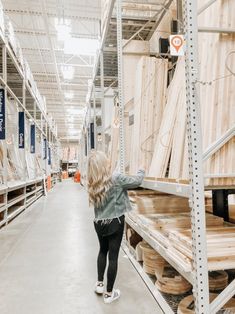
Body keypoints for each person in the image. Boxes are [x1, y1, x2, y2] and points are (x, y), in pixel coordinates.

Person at [87, 150, 145, 304]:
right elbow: (137, 182)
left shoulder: (93, 182)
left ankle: (100, 284)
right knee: (113, 257)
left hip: (99, 224)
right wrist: (141, 168)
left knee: (102, 251)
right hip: (114, 223)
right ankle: (109, 294)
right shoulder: (116, 178)